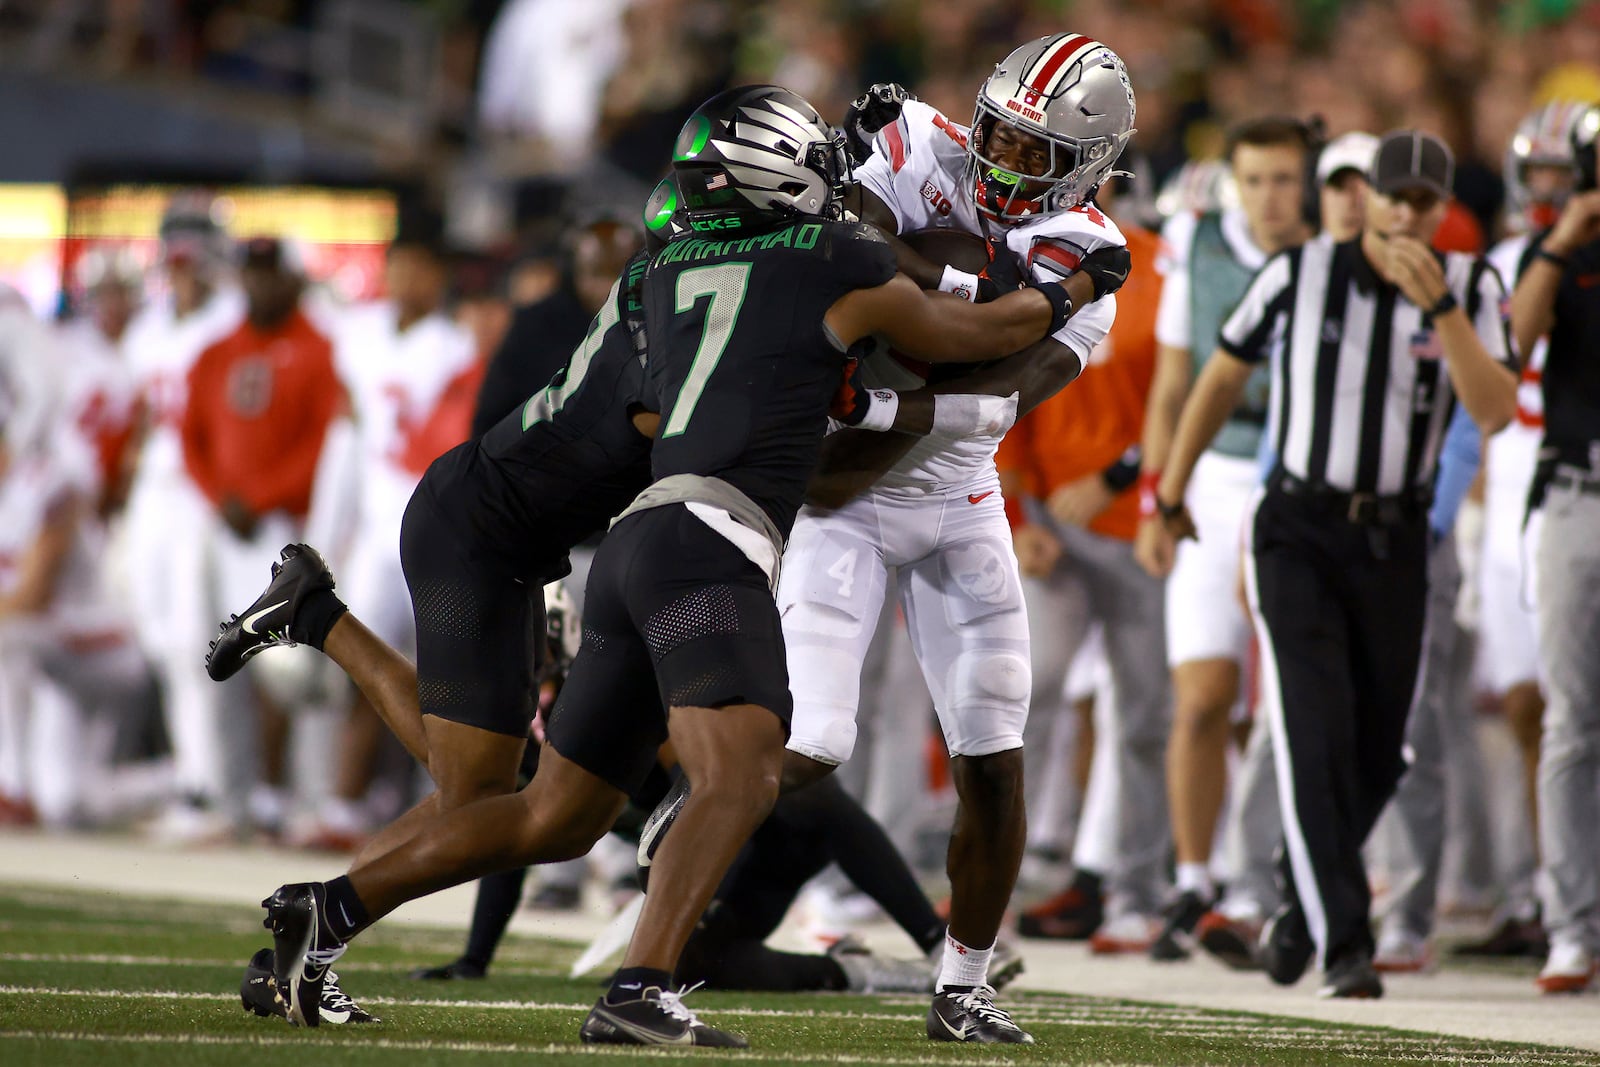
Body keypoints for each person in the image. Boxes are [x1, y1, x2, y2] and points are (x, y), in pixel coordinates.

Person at [219, 88, 1121, 1049]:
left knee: (554, 814)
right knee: (728, 775)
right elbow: (977, 336)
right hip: (677, 537)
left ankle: (329, 908)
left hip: (623, 538)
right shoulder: (832, 259)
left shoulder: (674, 269)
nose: (840, 181)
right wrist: (1068, 289)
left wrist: (842, 398)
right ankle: (642, 980)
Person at [763, 38, 1132, 1044]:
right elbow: (859, 272)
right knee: (813, 737)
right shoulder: (919, 138)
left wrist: (921, 320)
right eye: (1002, 138)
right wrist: (971, 299)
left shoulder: (1089, 243)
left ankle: (963, 981)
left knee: (994, 754)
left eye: (1038, 155)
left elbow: (995, 387)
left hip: (956, 493)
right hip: (849, 490)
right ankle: (665, 852)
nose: (1008, 167)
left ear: (1089, 164)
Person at [1151, 128, 1516, 999]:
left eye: (1423, 200)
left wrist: (1446, 314)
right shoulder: (1299, 273)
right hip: (1300, 526)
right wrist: (1170, 491)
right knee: (1312, 724)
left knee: (1382, 746)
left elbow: (1494, 408)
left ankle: (1295, 894)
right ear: (1370, 196)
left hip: (1396, 535)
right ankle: (1343, 941)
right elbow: (1218, 379)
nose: (1402, 210)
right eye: (1392, 194)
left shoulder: (1471, 285)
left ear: (1442, 212)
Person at [1131, 116, 1317, 959]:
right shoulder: (1198, 246)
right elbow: (1173, 385)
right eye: (1257, 180)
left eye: (1285, 179)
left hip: (1300, 480)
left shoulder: (1330, 256)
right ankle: (1195, 879)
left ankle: (1265, 879)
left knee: (1283, 703)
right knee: (1203, 694)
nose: (1272, 197)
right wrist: (1158, 500)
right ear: (1233, 183)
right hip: (1212, 476)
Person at [998, 175, 1170, 955]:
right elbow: (1000, 396)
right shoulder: (1031, 261)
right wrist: (1016, 517)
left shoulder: (1166, 271)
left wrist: (1120, 479)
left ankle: (1136, 889)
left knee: (1143, 714)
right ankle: (1002, 871)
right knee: (1020, 697)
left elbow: (1183, 394)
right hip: (1052, 527)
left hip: (1138, 526)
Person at [1463, 100, 1595, 961]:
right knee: (1548, 707)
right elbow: (1502, 358)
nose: (1546, 190)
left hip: (1552, 482)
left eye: (1563, 174)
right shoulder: (1525, 258)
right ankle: (1558, 909)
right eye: (1537, 174)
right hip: (1551, 480)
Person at [307, 220, 478, 851]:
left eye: (418, 268)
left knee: (441, 676)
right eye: (398, 266)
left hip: (433, 527)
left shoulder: (456, 345)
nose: (406, 280)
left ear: (440, 275)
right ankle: (345, 801)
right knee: (360, 665)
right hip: (377, 528)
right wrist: (328, 534)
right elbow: (345, 445)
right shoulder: (359, 336)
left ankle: (430, 800)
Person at [1509, 102, 1600, 995]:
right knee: (1572, 718)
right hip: (1575, 486)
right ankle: (1572, 924)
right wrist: (1568, 232)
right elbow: (1514, 345)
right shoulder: (1565, 247)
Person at [119, 198, 243, 842]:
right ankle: (197, 778)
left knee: (203, 639)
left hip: (205, 496)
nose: (184, 270)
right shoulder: (149, 330)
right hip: (155, 495)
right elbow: (140, 419)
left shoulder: (229, 324)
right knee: (162, 637)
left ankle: (212, 787)